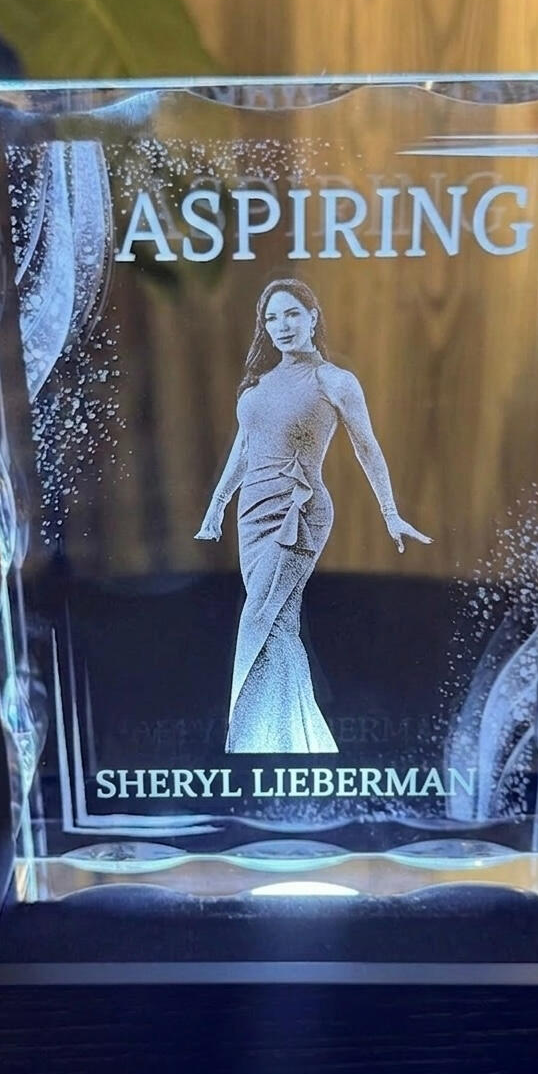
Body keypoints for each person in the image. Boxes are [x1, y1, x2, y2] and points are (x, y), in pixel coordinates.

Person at [196, 278, 431, 754]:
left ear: (312, 317)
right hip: (252, 513)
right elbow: (245, 447)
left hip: (299, 511)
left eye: (292, 314)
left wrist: (390, 514)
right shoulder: (259, 384)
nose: (282, 326)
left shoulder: (334, 381)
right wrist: (217, 506)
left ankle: (247, 745)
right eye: (272, 318)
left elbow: (367, 447)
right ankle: (298, 747)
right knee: (278, 627)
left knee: (259, 620)